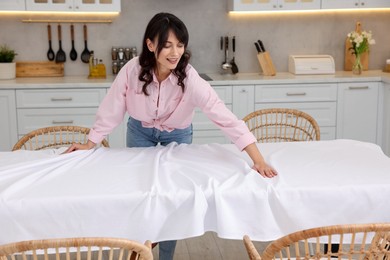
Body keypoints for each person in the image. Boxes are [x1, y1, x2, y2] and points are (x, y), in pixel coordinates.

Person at [65, 12, 277, 260]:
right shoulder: (132, 71)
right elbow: (111, 109)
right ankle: (140, 249)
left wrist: (258, 159)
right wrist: (90, 144)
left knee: (173, 199)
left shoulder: (190, 77)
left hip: (177, 134)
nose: (175, 52)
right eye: (167, 45)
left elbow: (224, 117)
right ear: (150, 44)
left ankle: (165, 256)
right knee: (140, 192)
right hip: (139, 132)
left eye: (180, 44)